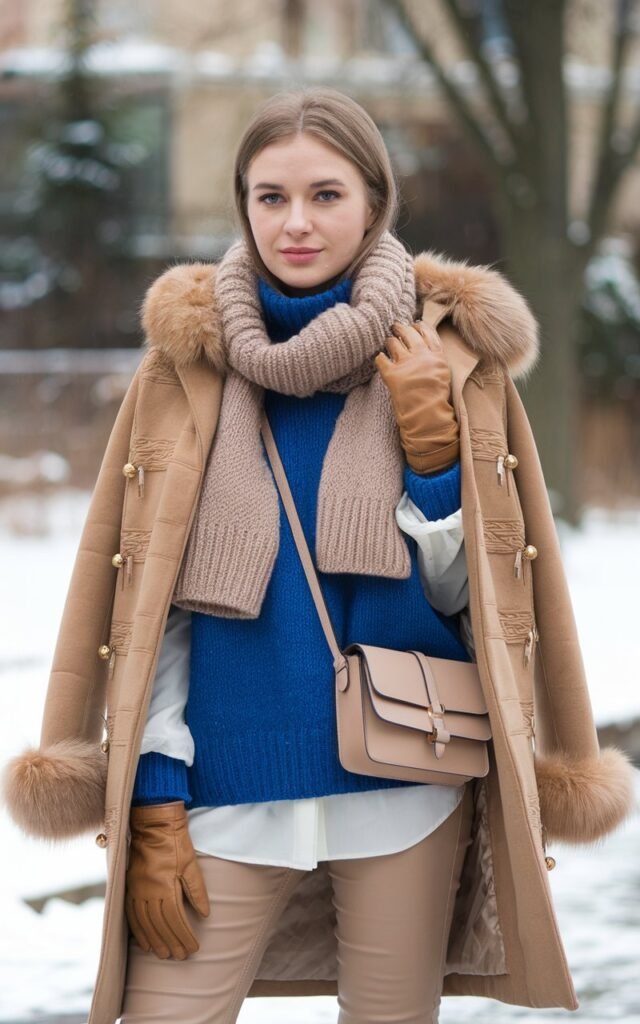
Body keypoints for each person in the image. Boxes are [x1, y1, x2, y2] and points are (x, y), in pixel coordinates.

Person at [2, 87, 634, 1024]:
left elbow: (479, 605)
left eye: (326, 195)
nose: (295, 222)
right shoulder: (188, 365)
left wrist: (431, 469)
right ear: (243, 206)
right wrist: (155, 796)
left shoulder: (453, 358)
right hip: (225, 790)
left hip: (407, 786)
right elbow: (154, 606)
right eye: (270, 197)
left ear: (375, 201)